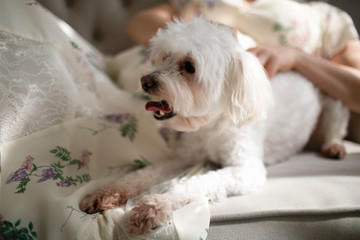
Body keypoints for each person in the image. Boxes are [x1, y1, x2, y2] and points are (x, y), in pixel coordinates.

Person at [126, 0, 360, 114]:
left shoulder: (326, 18)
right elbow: (137, 25)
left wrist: (297, 58)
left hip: (236, 115)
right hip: (154, 90)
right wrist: (197, 35)